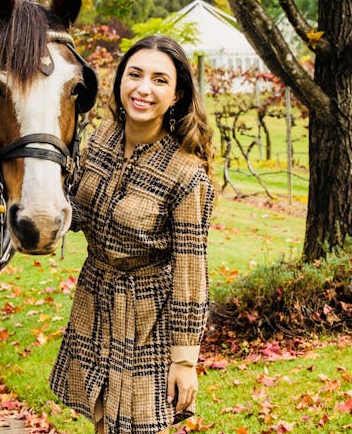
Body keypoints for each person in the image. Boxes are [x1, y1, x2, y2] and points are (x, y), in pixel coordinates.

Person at [49, 35, 215, 434]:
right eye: (135, 74)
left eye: (160, 80)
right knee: (103, 416)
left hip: (146, 315)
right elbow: (77, 209)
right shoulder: (101, 138)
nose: (143, 89)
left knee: (140, 426)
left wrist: (185, 360)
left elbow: (192, 272)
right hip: (96, 294)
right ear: (120, 80)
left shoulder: (185, 174)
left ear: (176, 96)